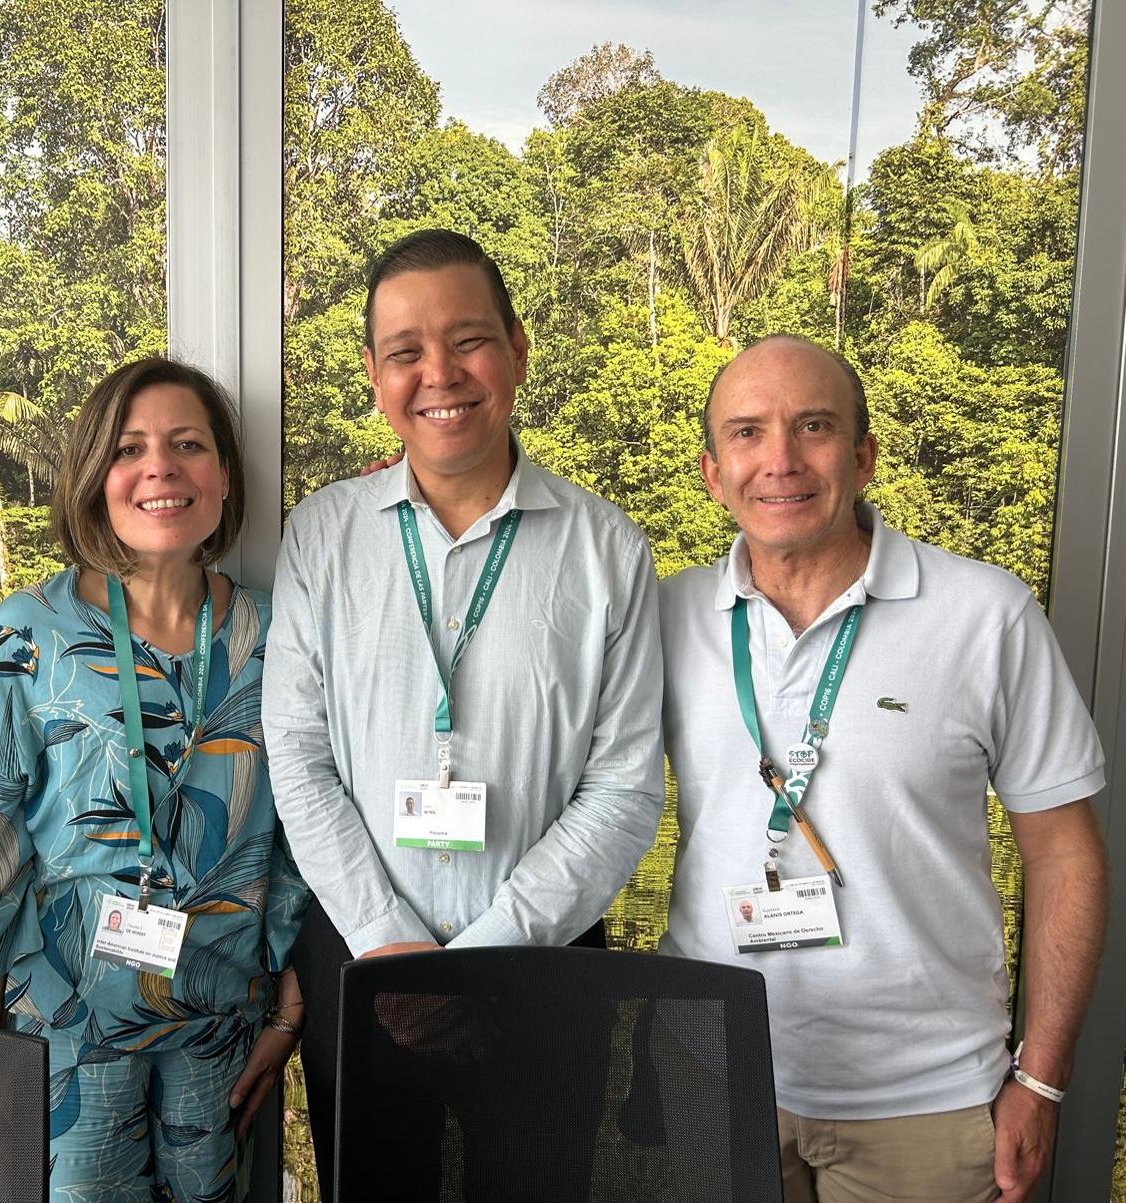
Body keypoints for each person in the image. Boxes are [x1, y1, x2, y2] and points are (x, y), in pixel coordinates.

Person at [659, 334, 1108, 1203]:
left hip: (928, 1102)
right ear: (713, 473)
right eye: (747, 433)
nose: (780, 460)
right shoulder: (665, 617)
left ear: (863, 455)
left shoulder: (987, 615)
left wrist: (1042, 1078)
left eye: (814, 426)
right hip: (717, 1075)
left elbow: (1065, 856)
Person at [262, 229, 665, 1197]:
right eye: (404, 350)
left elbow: (624, 785)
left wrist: (483, 960)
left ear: (518, 349)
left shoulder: (608, 548)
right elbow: (297, 751)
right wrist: (391, 949)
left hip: (544, 965)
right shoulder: (322, 535)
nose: (437, 373)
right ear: (372, 373)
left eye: (468, 340)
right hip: (362, 960)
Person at [0, 357, 310, 1200]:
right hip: (67, 1026)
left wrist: (289, 1018)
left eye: (188, 444)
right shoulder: (31, 630)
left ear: (224, 474)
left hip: (222, 1022)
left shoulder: (277, 633)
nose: (161, 467)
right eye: (130, 448)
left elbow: (301, 830)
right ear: (94, 477)